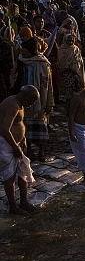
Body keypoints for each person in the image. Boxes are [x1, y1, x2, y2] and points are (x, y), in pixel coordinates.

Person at [0, 85, 39, 215]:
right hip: (7, 143)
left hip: (16, 143)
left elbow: (19, 123)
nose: (31, 105)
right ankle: (13, 206)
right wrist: (15, 147)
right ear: (24, 96)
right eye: (31, 101)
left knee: (23, 172)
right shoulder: (12, 104)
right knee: (9, 176)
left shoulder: (20, 103)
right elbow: (5, 129)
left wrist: (23, 139)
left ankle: (24, 202)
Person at [17, 38, 54, 161]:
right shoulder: (21, 61)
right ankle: (29, 151)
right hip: (25, 99)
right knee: (26, 128)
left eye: (24, 49)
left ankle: (41, 152)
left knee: (41, 126)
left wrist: (49, 102)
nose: (22, 50)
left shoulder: (43, 63)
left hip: (39, 100)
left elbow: (48, 84)